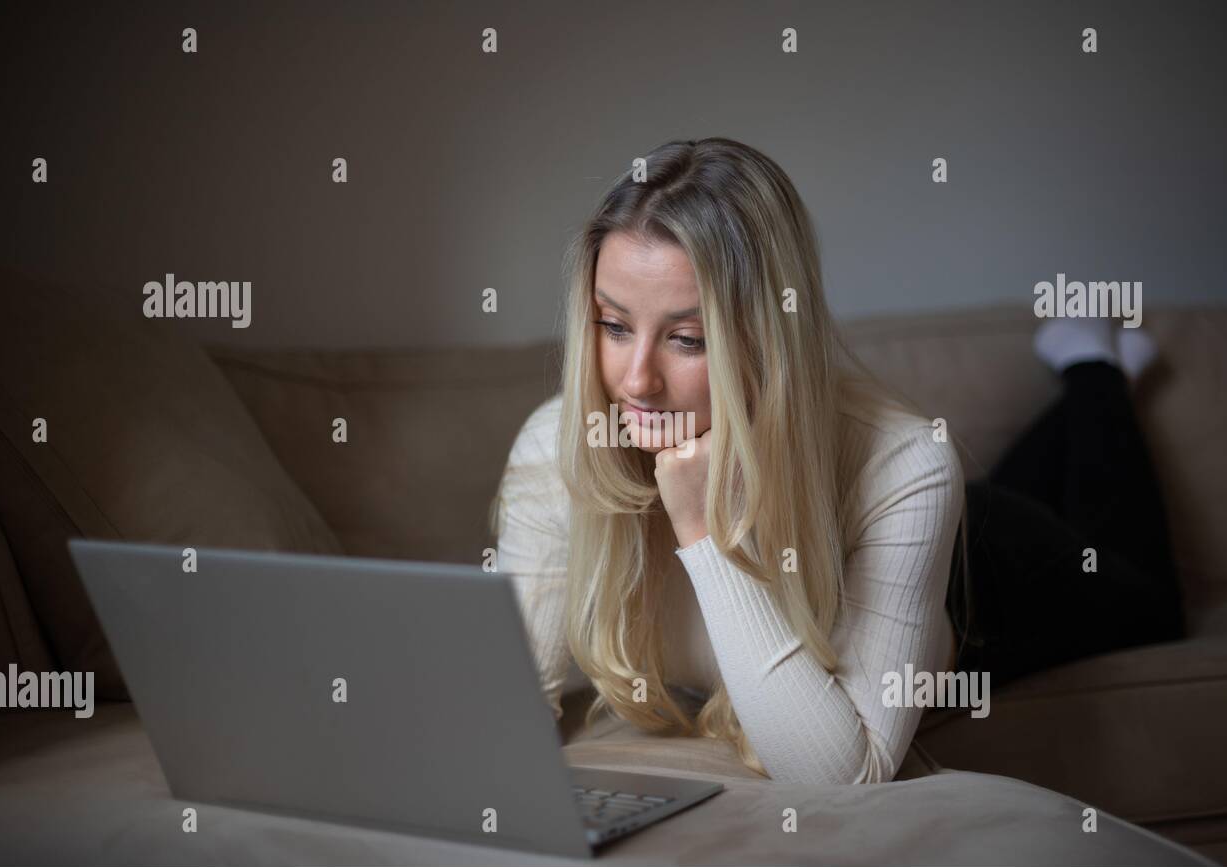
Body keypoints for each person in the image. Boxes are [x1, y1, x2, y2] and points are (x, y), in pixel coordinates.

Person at [489, 137, 1186, 786]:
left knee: (1149, 600)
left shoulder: (907, 465)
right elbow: (511, 708)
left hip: (993, 576)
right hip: (948, 509)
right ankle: (1087, 384)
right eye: (614, 326)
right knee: (995, 489)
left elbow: (842, 773)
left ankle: (1093, 367)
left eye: (687, 339)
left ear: (768, 339)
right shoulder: (555, 446)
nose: (636, 381)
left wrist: (703, 533)